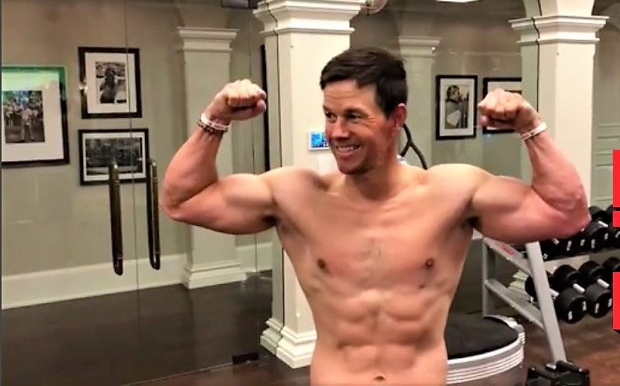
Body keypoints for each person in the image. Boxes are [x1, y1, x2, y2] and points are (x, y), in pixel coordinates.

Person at [160, 46, 590, 385]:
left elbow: (566, 214)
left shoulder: (451, 192)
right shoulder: (295, 196)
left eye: (353, 116)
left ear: (396, 118)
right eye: (330, 115)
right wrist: (214, 119)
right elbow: (182, 200)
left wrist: (531, 127)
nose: (336, 132)